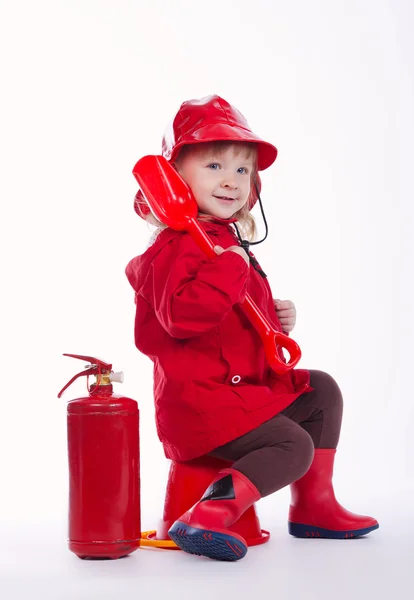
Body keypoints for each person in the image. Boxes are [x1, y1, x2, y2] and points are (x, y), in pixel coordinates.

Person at [125, 95, 378, 561]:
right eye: (215, 165)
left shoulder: (225, 239)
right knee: (292, 444)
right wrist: (228, 269)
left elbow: (235, 308)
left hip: (241, 391)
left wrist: (275, 315)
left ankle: (314, 508)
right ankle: (206, 516)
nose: (231, 181)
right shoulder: (171, 249)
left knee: (322, 391)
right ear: (173, 179)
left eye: (242, 171)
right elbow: (183, 317)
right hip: (203, 404)